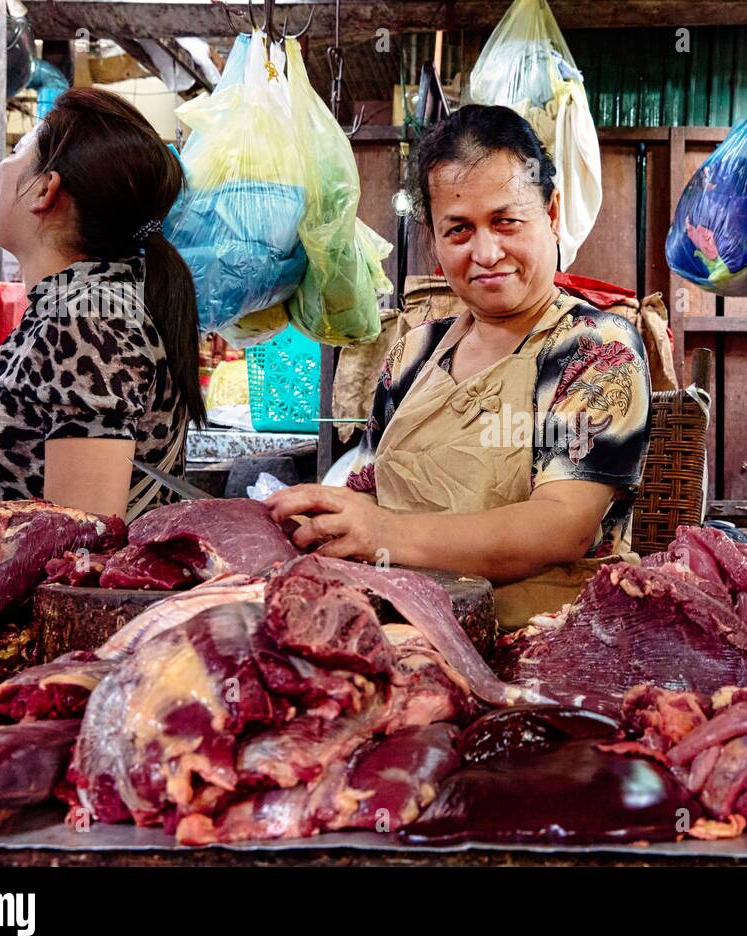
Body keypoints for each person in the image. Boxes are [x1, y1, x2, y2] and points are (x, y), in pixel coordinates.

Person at [268, 105, 651, 629]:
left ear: (552, 213)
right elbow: (367, 487)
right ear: (434, 238)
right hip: (409, 622)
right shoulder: (412, 354)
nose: (487, 252)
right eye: (459, 231)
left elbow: (563, 526)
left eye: (506, 221)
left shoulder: (593, 348)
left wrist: (385, 533)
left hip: (546, 638)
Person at [0, 88, 206, 519]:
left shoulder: (89, 321)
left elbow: (81, 547)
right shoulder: (77, 306)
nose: (2, 166)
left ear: (45, 191)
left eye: (17, 152)